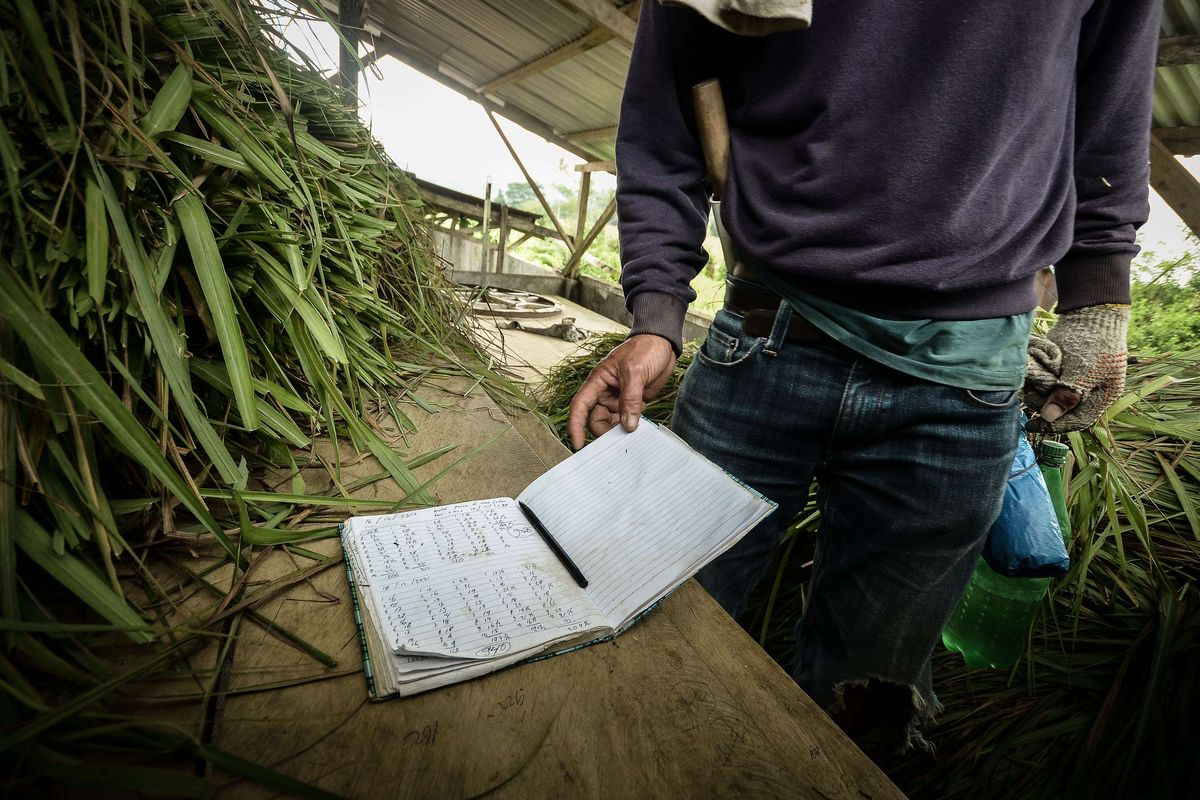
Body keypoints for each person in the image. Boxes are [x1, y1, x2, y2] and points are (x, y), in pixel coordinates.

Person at [567, 0, 1162, 751]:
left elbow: (1110, 106)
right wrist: (656, 314)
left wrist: (1099, 301)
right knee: (652, 627)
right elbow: (664, 121)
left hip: (962, 383)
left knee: (865, 705)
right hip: (764, 339)